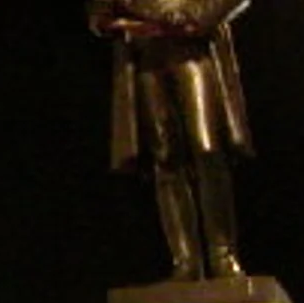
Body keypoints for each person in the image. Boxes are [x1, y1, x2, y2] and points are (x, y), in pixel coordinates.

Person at [90, 0, 254, 281]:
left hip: (194, 48)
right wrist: (123, 24)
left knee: (207, 149)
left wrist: (194, 17)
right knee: (165, 157)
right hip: (146, 53)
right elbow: (98, 12)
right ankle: (185, 261)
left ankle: (223, 254)